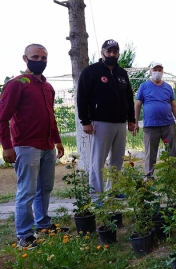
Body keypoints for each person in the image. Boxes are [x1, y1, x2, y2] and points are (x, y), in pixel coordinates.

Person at [0, 44, 66, 249]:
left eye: (44, 58)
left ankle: (43, 225)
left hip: (47, 145)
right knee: (27, 191)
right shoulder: (17, 84)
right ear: (25, 58)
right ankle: (24, 235)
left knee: (44, 189)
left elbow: (51, 117)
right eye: (35, 57)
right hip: (26, 146)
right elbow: (2, 118)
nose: (40, 61)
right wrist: (7, 146)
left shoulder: (47, 87)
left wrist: (57, 140)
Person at [77, 39, 136, 200]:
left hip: (120, 123)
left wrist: (131, 119)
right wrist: (85, 121)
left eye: (114, 51)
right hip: (100, 123)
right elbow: (82, 97)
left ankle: (114, 190)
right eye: (108, 51)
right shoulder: (90, 72)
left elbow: (128, 98)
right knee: (98, 160)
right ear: (103, 52)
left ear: (118, 53)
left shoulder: (122, 73)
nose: (112, 54)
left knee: (117, 159)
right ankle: (97, 196)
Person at [134, 62, 176, 178]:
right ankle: (149, 176)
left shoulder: (168, 87)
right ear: (151, 71)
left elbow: (174, 106)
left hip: (168, 124)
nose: (158, 72)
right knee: (150, 153)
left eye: (160, 70)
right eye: (155, 69)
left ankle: (172, 175)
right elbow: (137, 105)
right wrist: (135, 122)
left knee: (171, 151)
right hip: (151, 125)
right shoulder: (144, 86)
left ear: (162, 72)